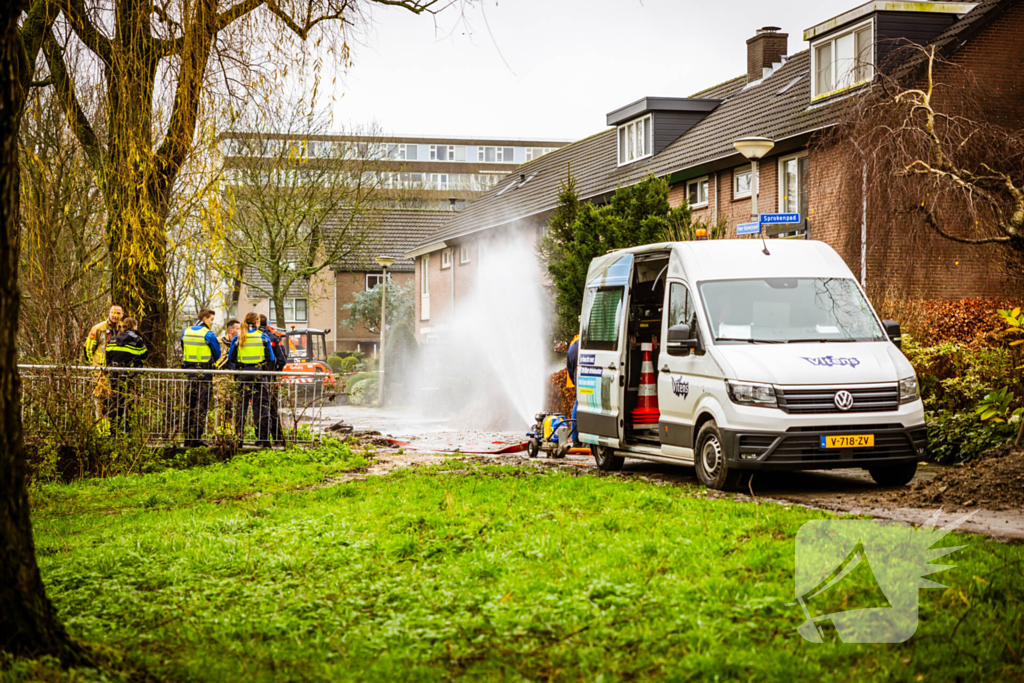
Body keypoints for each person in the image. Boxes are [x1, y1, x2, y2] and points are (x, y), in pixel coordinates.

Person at [228, 312, 276, 448]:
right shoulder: (263, 337)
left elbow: (231, 358)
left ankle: (239, 439)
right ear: (257, 322)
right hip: (259, 375)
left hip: (243, 375)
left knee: (240, 408)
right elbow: (271, 358)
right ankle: (264, 440)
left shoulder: (238, 337)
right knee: (262, 408)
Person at [181, 309, 222, 448]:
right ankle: (197, 437)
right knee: (202, 404)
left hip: (190, 371)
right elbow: (217, 353)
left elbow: (183, 348)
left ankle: (187, 437)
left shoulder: (186, 331)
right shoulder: (208, 334)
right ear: (205, 319)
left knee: (190, 404)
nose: (212, 322)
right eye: (211, 319)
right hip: (204, 372)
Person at [105, 318, 148, 434]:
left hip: (114, 376)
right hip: (130, 377)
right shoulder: (136, 340)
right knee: (130, 404)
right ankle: (129, 432)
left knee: (115, 403)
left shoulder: (113, 340)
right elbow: (144, 355)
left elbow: (107, 358)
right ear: (134, 327)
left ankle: (114, 431)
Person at [85, 304, 124, 421]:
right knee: (99, 396)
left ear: (122, 315)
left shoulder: (123, 329)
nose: (115, 315)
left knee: (115, 396)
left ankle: (111, 423)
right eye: (113, 312)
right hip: (100, 368)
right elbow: (88, 348)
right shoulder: (98, 328)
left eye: (118, 313)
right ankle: (99, 421)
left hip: (117, 369)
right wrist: (93, 365)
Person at [259, 314, 289, 445]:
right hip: (271, 379)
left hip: (254, 377)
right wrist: (275, 372)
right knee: (273, 408)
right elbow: (282, 359)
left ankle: (261, 438)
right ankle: (277, 438)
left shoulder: (249, 337)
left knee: (258, 408)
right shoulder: (274, 338)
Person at [215, 319, 241, 424]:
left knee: (232, 404)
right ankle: (219, 428)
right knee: (221, 402)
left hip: (236, 375)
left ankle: (230, 429)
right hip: (223, 375)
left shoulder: (240, 341)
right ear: (231, 331)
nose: (241, 331)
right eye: (238, 329)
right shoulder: (220, 341)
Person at [566, 334, 580, 447]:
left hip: (579, 380)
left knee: (578, 403)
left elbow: (569, 369)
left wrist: (575, 381)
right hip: (589, 380)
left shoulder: (572, 347)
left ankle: (575, 439)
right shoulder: (586, 344)